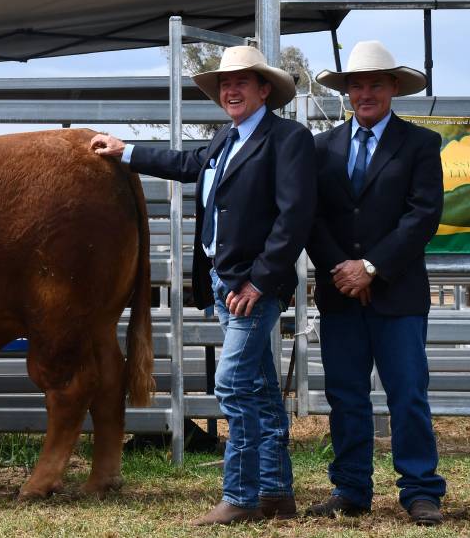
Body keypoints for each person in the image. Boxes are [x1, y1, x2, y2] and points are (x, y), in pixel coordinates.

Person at [92, 45, 314, 525]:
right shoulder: (224, 138)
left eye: (241, 82)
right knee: (258, 389)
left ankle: (241, 496)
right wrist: (125, 151)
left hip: (250, 285)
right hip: (221, 278)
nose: (230, 90)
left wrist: (260, 281)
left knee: (232, 384)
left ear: (264, 90)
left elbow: (294, 218)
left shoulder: (287, 139)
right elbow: (187, 163)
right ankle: (276, 493)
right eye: (223, 84)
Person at [305, 40, 447, 526]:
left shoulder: (421, 145)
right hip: (341, 296)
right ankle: (350, 487)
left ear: (393, 89)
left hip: (398, 294)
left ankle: (421, 490)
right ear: (346, 92)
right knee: (345, 395)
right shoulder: (320, 148)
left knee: (407, 393)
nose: (365, 93)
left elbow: (423, 216)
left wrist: (371, 267)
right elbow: (311, 218)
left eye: (375, 84)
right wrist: (342, 270)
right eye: (357, 84)